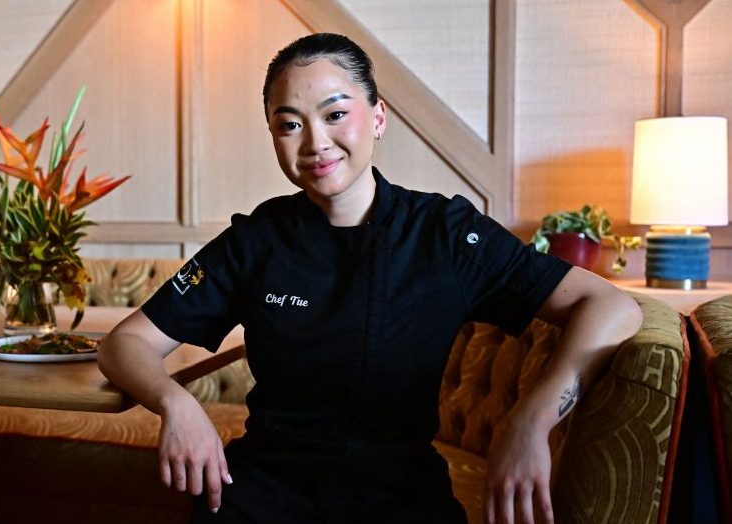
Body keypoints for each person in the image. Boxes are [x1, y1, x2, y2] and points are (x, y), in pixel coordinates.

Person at [97, 33, 643, 524]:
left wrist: (532, 419)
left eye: (335, 114)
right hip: (265, 492)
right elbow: (125, 343)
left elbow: (610, 305)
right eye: (289, 124)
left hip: (401, 495)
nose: (315, 142)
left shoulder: (445, 233)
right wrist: (175, 402)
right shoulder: (255, 240)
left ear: (378, 117)